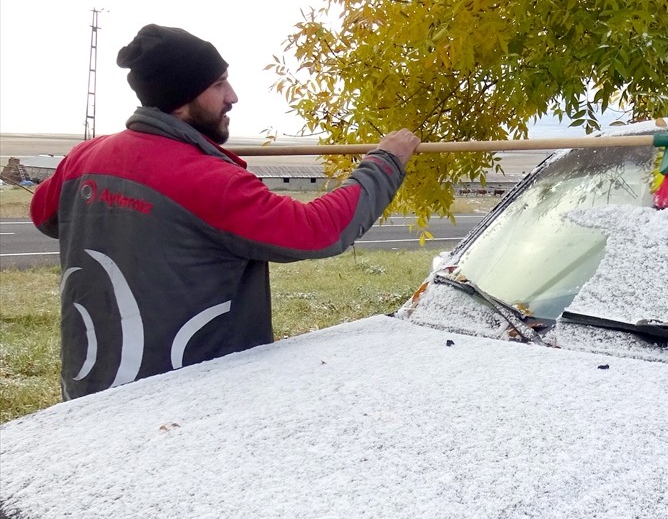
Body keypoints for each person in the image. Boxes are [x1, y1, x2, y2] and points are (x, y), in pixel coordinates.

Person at [31, 24, 421, 400]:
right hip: (186, 402)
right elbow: (320, 230)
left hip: (88, 392)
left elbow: (45, 214)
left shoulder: (85, 157)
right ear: (181, 103)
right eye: (218, 85)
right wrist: (385, 162)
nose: (232, 96)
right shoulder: (208, 180)